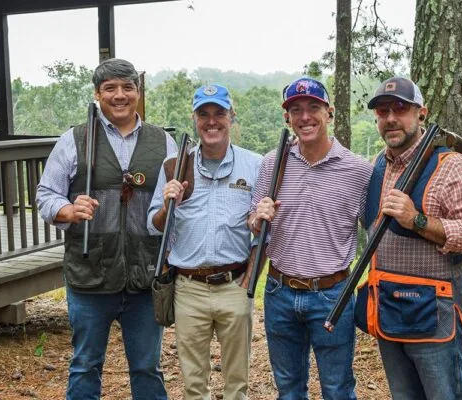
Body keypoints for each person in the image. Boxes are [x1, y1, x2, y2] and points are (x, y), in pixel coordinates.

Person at [36, 58, 173, 400]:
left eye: (128, 87)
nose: (120, 95)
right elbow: (46, 195)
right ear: (97, 94)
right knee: (85, 364)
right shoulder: (74, 140)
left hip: (145, 276)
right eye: (110, 88)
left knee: (148, 367)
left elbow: (173, 209)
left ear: (138, 92)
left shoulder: (163, 143)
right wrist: (68, 210)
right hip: (90, 274)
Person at [363, 76, 462, 399]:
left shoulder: (452, 165)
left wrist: (417, 220)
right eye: (382, 111)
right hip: (388, 310)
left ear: (422, 113)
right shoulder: (376, 165)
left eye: (400, 109)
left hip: (434, 316)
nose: (390, 118)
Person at [249, 77, 373, 399]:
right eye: (296, 110)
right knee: (288, 390)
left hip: (332, 294)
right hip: (279, 291)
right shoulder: (272, 163)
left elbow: (374, 229)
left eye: (313, 108)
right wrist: (257, 218)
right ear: (286, 117)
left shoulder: (358, 170)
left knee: (337, 389)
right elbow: (254, 222)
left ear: (329, 112)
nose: (305, 117)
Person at [147, 84, 262, 400]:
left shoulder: (254, 164)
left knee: (237, 383)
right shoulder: (174, 165)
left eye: (219, 113)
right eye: (204, 114)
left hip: (234, 284)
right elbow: (153, 226)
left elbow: (264, 229)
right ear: (194, 119)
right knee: (194, 384)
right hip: (188, 288)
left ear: (231, 116)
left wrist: (250, 278)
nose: (212, 121)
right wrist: (167, 205)